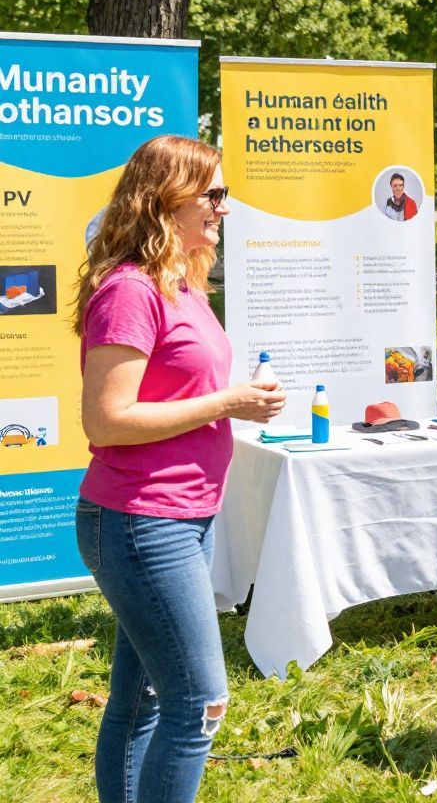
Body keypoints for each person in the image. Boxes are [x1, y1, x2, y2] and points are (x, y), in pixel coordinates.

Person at [74, 135, 288, 803]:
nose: (223, 209)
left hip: (181, 517)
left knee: (139, 701)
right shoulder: (129, 291)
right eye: (214, 195)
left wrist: (242, 405)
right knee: (199, 705)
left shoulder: (183, 281)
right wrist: (229, 403)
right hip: (141, 521)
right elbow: (107, 420)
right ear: (166, 200)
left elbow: (179, 391)